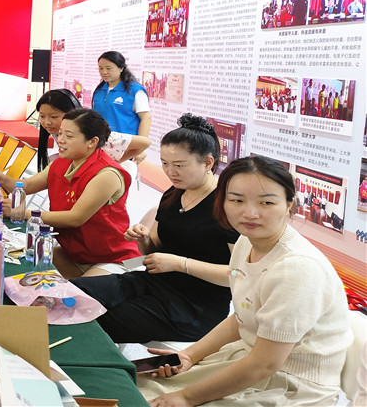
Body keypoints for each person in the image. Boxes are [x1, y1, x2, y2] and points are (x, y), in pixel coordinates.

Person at [138, 156, 352, 407]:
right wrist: (189, 355)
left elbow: (264, 365)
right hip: (247, 359)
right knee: (137, 387)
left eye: (266, 202)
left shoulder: (296, 269)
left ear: (289, 204)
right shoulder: (246, 241)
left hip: (288, 384)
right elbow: (243, 316)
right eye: (237, 200)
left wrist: (185, 397)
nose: (250, 213)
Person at [71, 114, 239, 343]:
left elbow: (238, 275)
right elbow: (152, 250)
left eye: (179, 165)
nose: (170, 172)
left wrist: (180, 264)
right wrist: (143, 239)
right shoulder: (174, 193)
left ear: (208, 163)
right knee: (71, 293)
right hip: (152, 283)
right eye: (165, 163)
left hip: (192, 307)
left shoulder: (227, 206)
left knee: (94, 320)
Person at [0, 108, 140, 277]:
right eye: (60, 133)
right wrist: (1, 178)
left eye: (69, 136)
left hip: (115, 259)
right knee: (21, 269)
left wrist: (23, 213)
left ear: (92, 142)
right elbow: (25, 186)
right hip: (76, 255)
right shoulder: (61, 163)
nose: (60, 140)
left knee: (81, 290)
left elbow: (75, 218)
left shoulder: (107, 174)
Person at [33, 88, 151, 172]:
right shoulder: (57, 130)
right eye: (42, 116)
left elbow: (145, 142)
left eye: (54, 117)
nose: (47, 122)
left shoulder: (95, 134)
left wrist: (115, 162)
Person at [92, 51, 151, 175]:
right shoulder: (100, 90)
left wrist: (140, 148)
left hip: (125, 146)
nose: (104, 72)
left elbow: (146, 118)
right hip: (102, 144)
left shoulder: (134, 91)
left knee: (120, 179)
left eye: (109, 68)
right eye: (101, 68)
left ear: (121, 68)